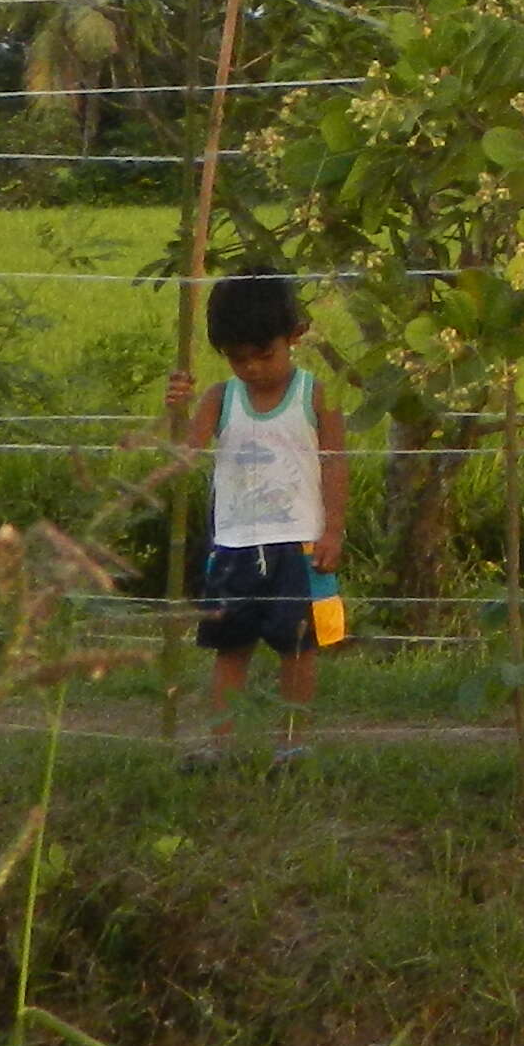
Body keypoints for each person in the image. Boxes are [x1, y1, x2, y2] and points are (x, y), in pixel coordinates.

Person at [175, 270, 348, 762]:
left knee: (298, 648)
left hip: (299, 546)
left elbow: (336, 464)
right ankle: (219, 744)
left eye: (263, 354)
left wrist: (333, 529)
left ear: (293, 336)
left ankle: (292, 743)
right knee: (229, 649)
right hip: (233, 545)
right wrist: (178, 410)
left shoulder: (317, 395)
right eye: (237, 358)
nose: (251, 368)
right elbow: (183, 454)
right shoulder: (218, 399)